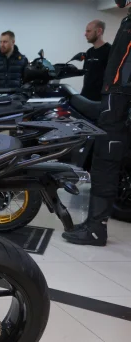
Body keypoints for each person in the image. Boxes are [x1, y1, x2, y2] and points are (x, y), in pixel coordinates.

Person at [63, 0, 131, 246]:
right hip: (114, 97)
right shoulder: (127, 21)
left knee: (106, 161)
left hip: (120, 99)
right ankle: (94, 224)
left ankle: (95, 230)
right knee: (103, 161)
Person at [81, 19, 111, 101]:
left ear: (99, 31)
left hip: (100, 100)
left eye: (88, 31)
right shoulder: (89, 52)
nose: (85, 34)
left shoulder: (110, 51)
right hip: (85, 97)